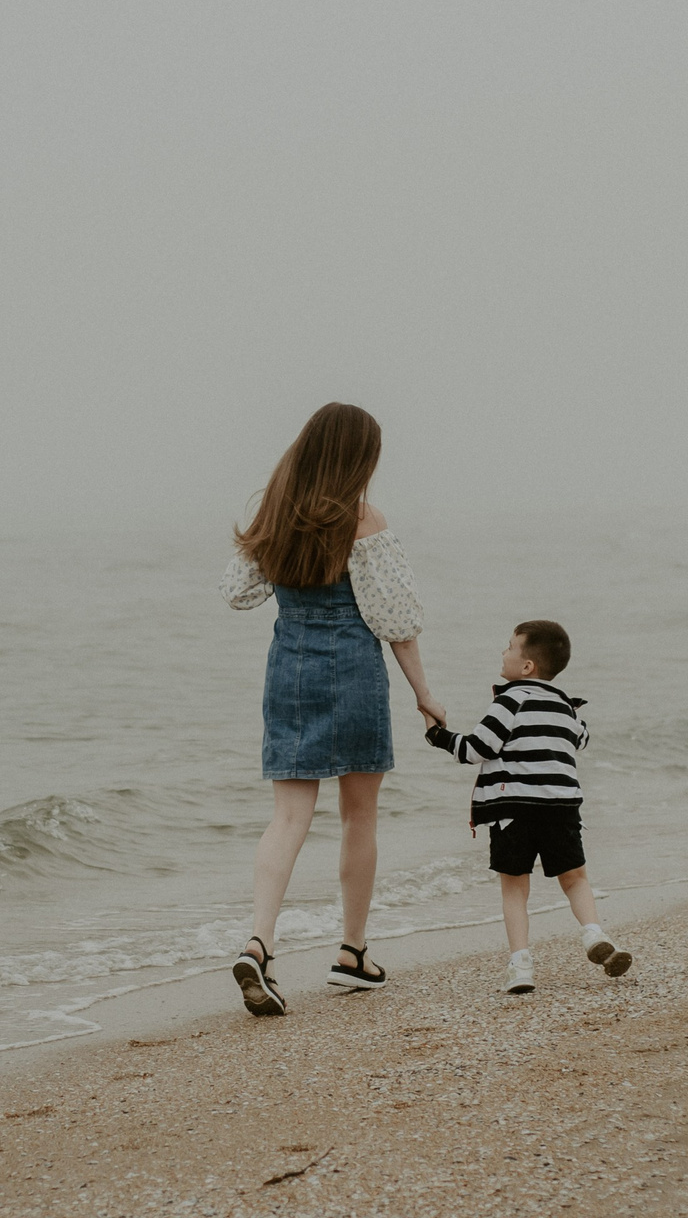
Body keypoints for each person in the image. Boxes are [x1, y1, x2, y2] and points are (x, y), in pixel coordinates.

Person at [220, 403, 445, 1016]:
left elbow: (238, 594)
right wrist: (425, 695)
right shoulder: (363, 519)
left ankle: (259, 942)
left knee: (287, 818)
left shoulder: (274, 511)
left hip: (288, 664)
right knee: (358, 816)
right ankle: (351, 953)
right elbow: (396, 622)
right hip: (352, 666)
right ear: (357, 458)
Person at [426, 620, 635, 995]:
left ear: (526, 667)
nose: (502, 653)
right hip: (561, 808)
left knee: (514, 888)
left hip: (514, 809)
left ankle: (521, 965)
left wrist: (437, 734)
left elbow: (478, 749)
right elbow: (581, 738)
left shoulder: (508, 699)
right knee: (575, 878)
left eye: (508, 647)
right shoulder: (565, 706)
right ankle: (593, 934)